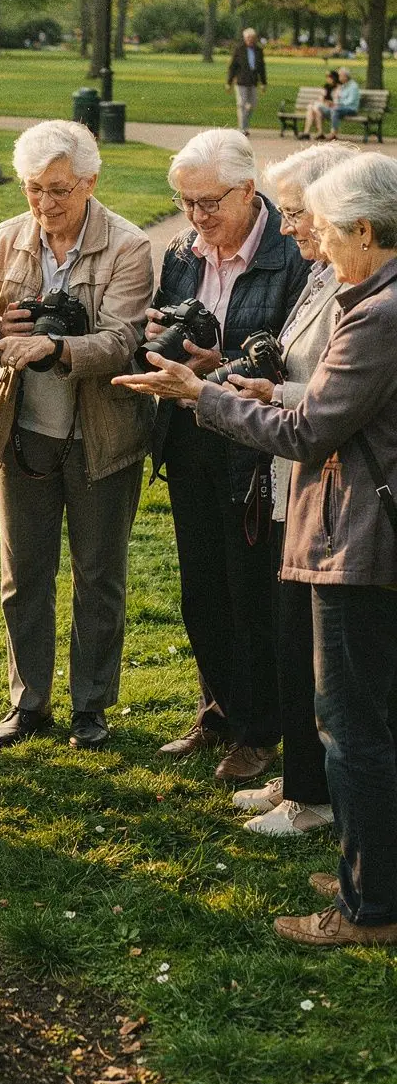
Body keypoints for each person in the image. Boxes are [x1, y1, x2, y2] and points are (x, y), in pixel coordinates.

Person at [114, 150, 397, 946]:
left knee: (353, 725)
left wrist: (199, 395)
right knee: (371, 717)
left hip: (359, 538)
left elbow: (309, 432)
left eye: (329, 231)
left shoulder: (377, 311)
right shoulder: (373, 294)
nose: (317, 245)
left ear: (367, 231)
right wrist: (255, 386)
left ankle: (368, 909)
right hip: (362, 531)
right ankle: (369, 870)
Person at [0, 120, 154, 751]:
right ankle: (28, 703)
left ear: (90, 182)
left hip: (100, 434)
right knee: (23, 574)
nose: (45, 204)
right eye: (33, 189)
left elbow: (122, 341)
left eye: (59, 189)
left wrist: (53, 345)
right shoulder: (2, 242)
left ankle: (91, 706)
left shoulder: (128, 247)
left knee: (98, 573)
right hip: (22, 431)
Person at [146, 130, 311, 784]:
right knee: (200, 588)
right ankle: (216, 708)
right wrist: (159, 339)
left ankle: (259, 728)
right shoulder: (183, 253)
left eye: (208, 202)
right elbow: (168, 325)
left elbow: (291, 356)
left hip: (254, 442)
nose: (196, 217)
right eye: (185, 203)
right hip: (188, 434)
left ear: (248, 190)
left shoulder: (288, 255)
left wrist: (222, 367)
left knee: (251, 591)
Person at [229, 143, 358, 835]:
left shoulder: (354, 288)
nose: (286, 228)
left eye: (297, 213)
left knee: (319, 655)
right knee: (291, 640)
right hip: (291, 484)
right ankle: (301, 780)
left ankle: (313, 799)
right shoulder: (319, 277)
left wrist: (272, 391)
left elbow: (343, 396)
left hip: (327, 493)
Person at [226, 28, 267, 136]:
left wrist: (263, 83)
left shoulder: (258, 50)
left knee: (252, 104)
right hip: (241, 81)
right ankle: (242, 129)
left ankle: (244, 125)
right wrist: (229, 82)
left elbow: (262, 67)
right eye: (248, 38)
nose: (250, 40)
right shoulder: (239, 49)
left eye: (252, 38)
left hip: (253, 82)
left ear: (255, 38)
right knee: (241, 104)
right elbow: (232, 66)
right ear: (244, 38)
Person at [312, 66, 360, 140]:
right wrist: (332, 103)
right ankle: (320, 132)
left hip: (351, 109)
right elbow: (338, 98)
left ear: (345, 77)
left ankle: (333, 133)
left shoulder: (353, 86)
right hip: (339, 108)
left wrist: (337, 104)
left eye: (340, 76)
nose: (338, 77)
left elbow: (351, 101)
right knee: (320, 108)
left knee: (335, 110)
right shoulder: (343, 85)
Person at [300, 70, 340, 140]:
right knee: (311, 109)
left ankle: (315, 132)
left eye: (329, 77)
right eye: (327, 77)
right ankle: (308, 132)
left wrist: (328, 102)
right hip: (323, 106)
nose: (327, 78)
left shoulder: (338, 88)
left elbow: (337, 101)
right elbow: (321, 97)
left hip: (331, 109)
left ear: (334, 78)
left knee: (314, 109)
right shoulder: (326, 86)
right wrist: (321, 101)